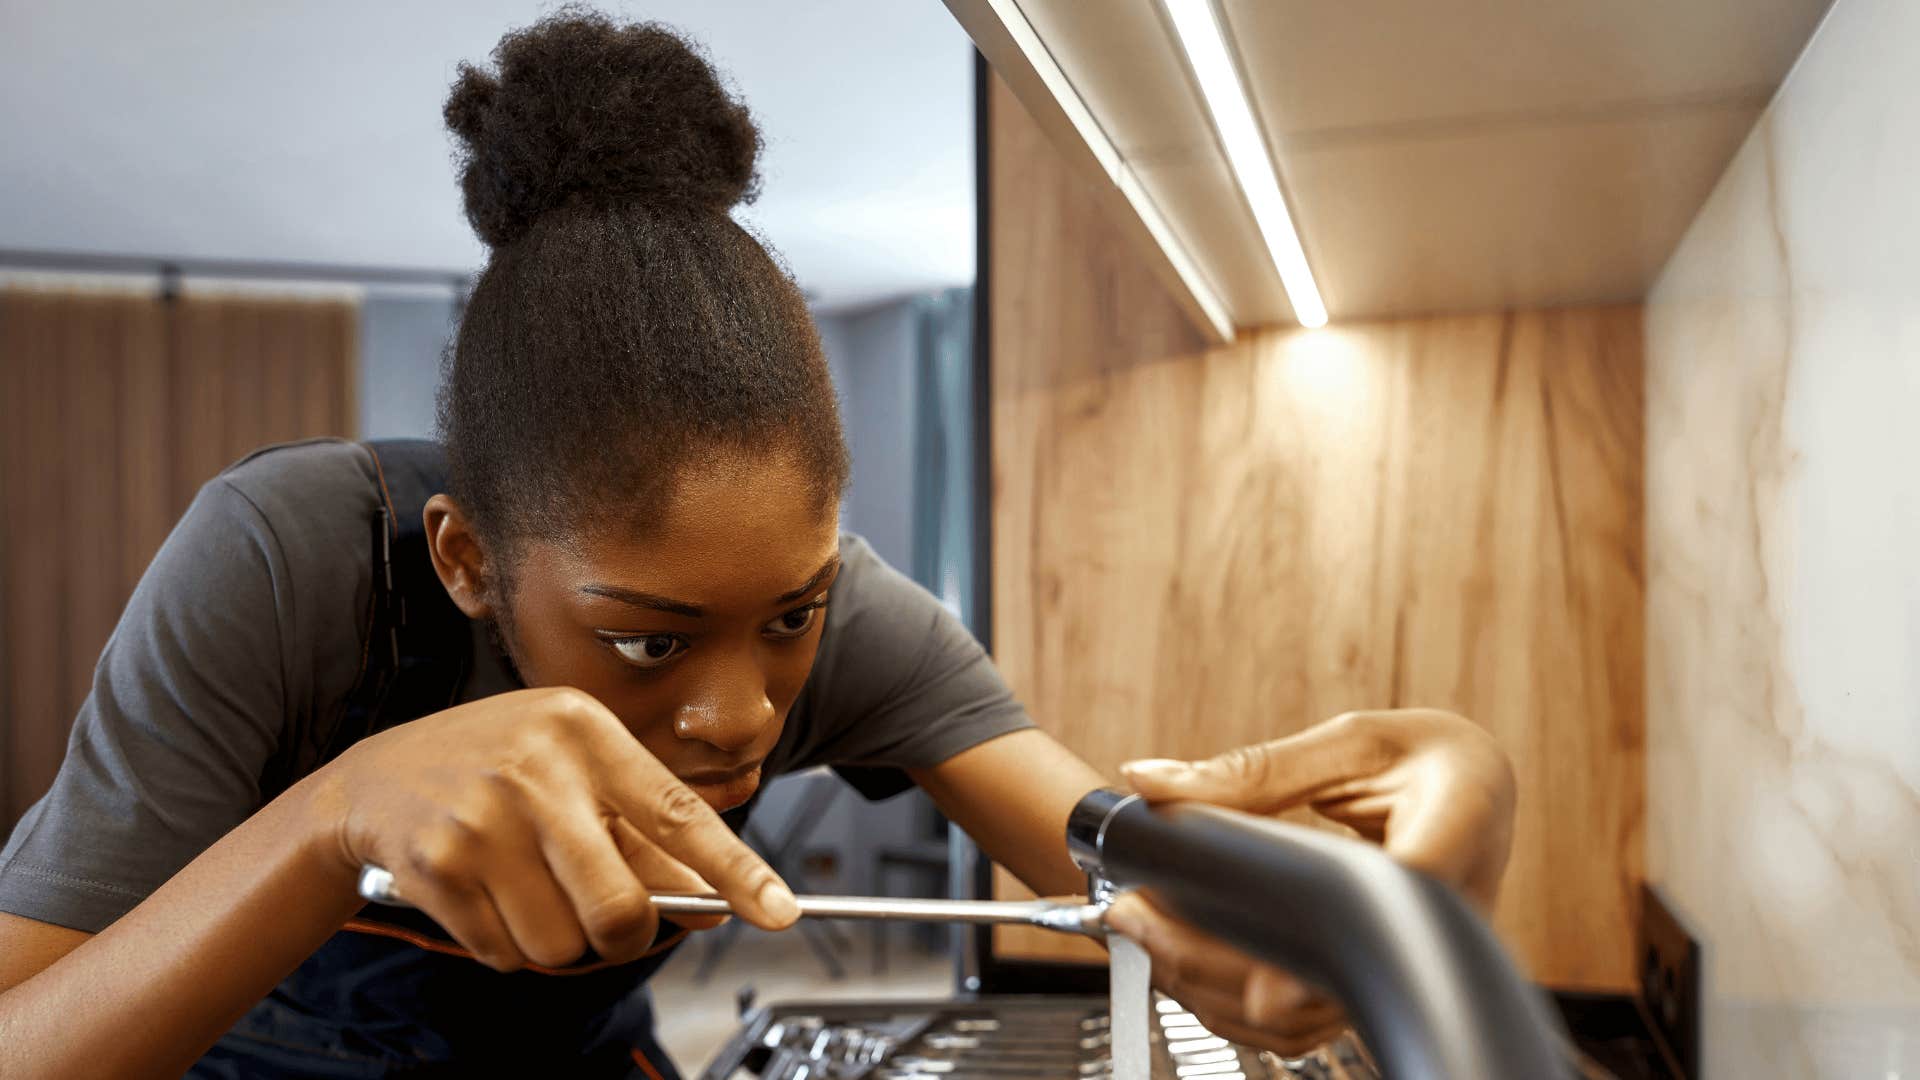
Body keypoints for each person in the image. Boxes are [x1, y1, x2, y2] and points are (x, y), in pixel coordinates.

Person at [0, 12, 1516, 1078]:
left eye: (787, 618)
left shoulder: (852, 623)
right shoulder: (285, 564)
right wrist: (334, 820)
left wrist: (1355, 910)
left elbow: (1131, 872)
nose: (740, 713)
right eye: (649, 639)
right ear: (466, 561)